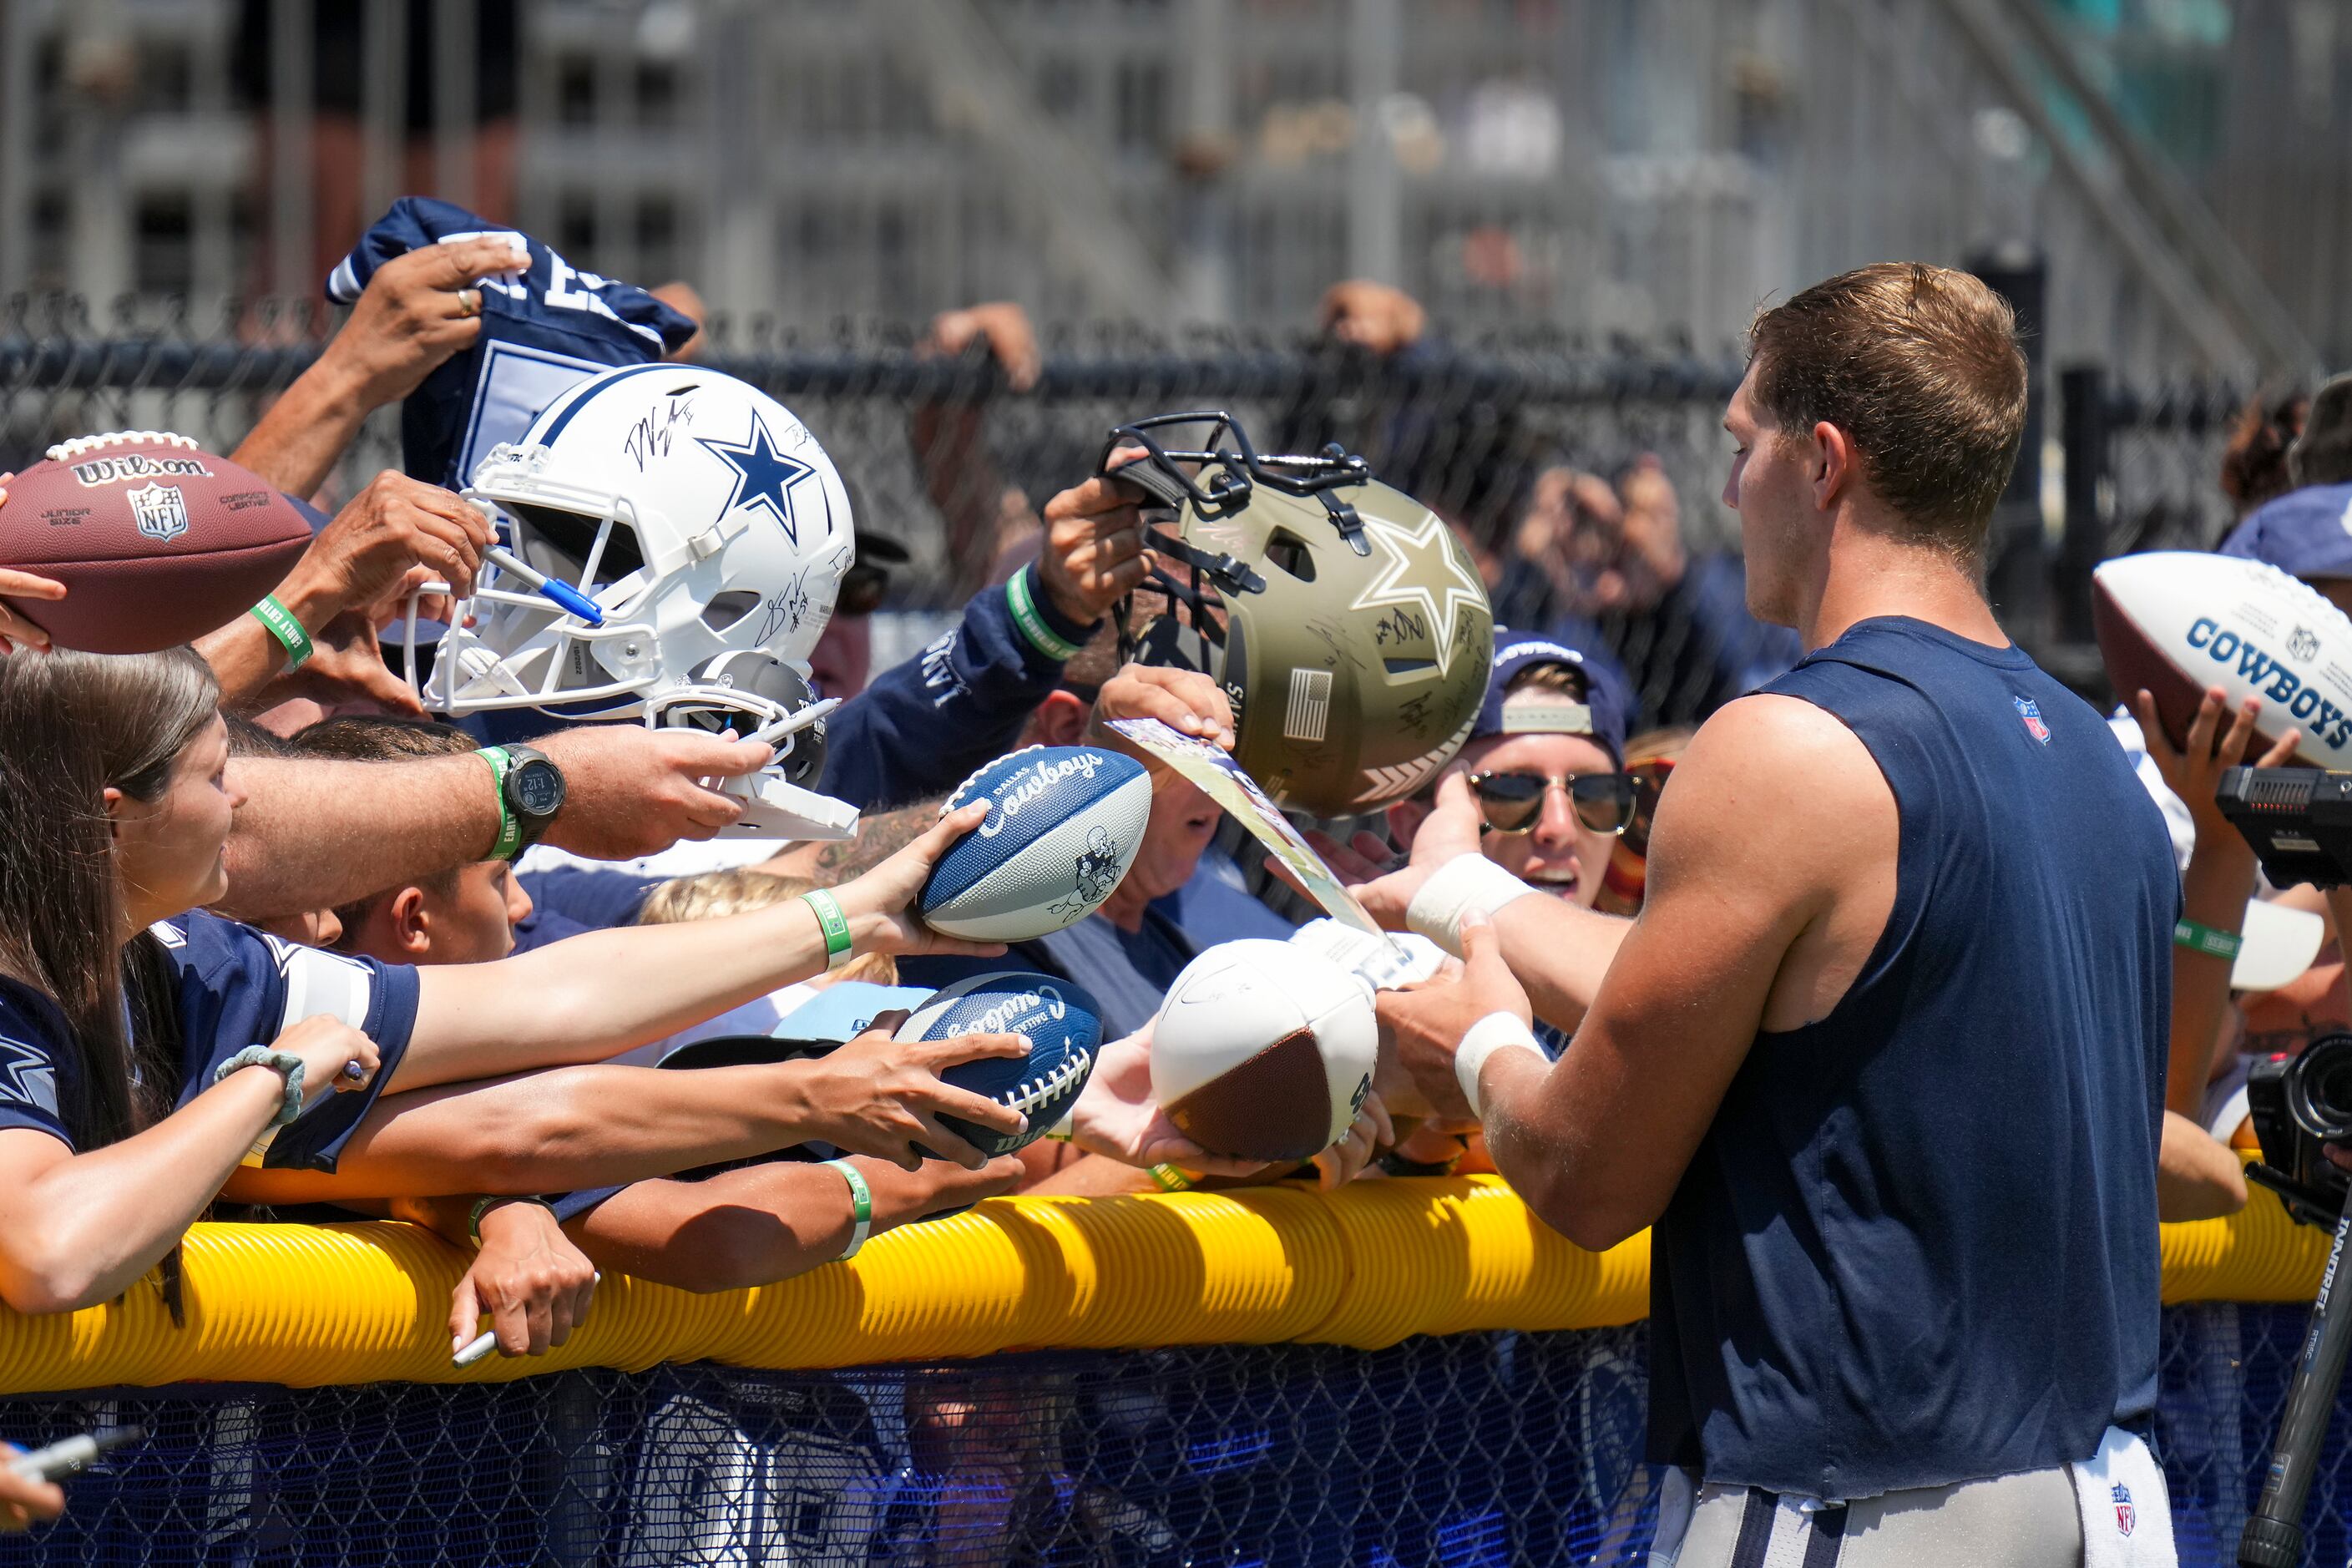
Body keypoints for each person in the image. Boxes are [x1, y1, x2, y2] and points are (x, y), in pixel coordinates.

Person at [1362, 263, 2178, 1561]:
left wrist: (1480, 1038)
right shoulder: (2096, 765)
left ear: (1825, 463)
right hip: (2102, 1503)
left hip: (1865, 1505)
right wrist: (1465, 894)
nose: (1728, 485)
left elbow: (1584, 1176)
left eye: (1742, 446)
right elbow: (1791, 992)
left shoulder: (1781, 747)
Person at [0, 645, 1044, 1320]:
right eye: (215, 779)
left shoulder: (194, 962)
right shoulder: (16, 982)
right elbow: (49, 1253)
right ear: (110, 816)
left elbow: (549, 1013)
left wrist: (857, 916)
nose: (243, 807)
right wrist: (268, 1085)